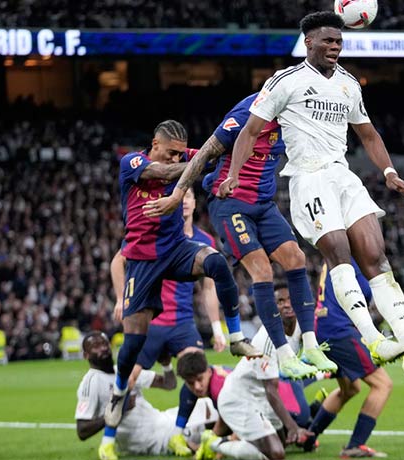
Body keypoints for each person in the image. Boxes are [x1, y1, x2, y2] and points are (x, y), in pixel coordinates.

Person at [217, 11, 404, 369]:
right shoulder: (285, 81)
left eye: (339, 42)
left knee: (376, 256)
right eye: (328, 41)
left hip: (343, 177)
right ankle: (374, 340)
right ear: (308, 41)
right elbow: (250, 131)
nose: (335, 47)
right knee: (339, 254)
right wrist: (233, 174)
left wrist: (389, 172)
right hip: (308, 178)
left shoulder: (348, 84)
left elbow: (368, 134)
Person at [144, 94, 337, 379]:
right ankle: (284, 355)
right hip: (230, 202)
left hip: (263, 205)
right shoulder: (247, 112)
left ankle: (309, 345)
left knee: (296, 258)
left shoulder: (293, 121)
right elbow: (208, 151)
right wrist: (177, 192)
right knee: (261, 269)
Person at [100, 120, 260, 460]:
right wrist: (202, 160)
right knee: (131, 346)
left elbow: (212, 154)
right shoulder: (132, 162)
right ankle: (117, 394)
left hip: (175, 251)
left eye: (180, 152)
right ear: (154, 143)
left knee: (217, 263)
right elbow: (171, 170)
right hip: (142, 261)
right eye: (171, 151)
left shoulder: (185, 176)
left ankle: (234, 336)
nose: (176, 158)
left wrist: (224, 150)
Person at [111, 188, 226, 456]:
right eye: (179, 197)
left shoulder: (204, 240)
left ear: (195, 203)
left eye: (188, 197)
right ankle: (109, 437)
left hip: (183, 323)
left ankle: (183, 434)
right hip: (151, 321)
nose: (184, 202)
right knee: (127, 380)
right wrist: (120, 298)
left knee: (201, 375)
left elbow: (209, 290)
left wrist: (218, 329)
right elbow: (119, 262)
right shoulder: (155, 233)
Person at [193, 283, 312, 460]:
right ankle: (212, 442)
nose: (287, 304)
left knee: (281, 445)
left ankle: (237, 439)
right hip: (238, 398)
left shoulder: (302, 326)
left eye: (290, 300)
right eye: (280, 301)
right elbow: (271, 389)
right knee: (276, 454)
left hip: (261, 395)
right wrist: (293, 426)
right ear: (272, 307)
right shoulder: (267, 339)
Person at [299, 261, 393, 458]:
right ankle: (355, 446)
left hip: (323, 327)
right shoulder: (349, 256)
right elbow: (364, 293)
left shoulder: (332, 254)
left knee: (349, 388)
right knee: (382, 385)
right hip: (339, 330)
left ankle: (308, 437)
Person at [76, 332, 218, 456]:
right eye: (96, 346)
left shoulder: (124, 371)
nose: (103, 349)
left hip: (159, 420)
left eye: (105, 344)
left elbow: (169, 384)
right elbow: (82, 430)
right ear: (85, 355)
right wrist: (118, 409)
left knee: (207, 404)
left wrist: (166, 365)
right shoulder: (92, 382)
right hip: (145, 439)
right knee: (200, 429)